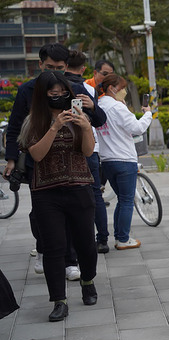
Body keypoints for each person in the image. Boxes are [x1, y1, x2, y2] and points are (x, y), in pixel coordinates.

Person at [3, 43, 107, 277]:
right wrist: (11, 159)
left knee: (75, 213)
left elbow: (99, 121)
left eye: (60, 67)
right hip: (40, 164)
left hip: (77, 160)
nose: (56, 72)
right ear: (40, 65)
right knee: (41, 214)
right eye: (49, 67)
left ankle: (71, 261)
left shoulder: (76, 89)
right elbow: (15, 126)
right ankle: (44, 247)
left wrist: (92, 108)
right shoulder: (28, 91)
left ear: (67, 66)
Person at [18, 71, 98, 321]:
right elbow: (37, 155)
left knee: (86, 242)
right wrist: (55, 127)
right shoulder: (34, 121)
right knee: (54, 247)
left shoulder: (78, 117)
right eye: (53, 95)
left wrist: (85, 127)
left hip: (79, 187)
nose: (59, 98)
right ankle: (59, 301)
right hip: (46, 192)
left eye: (63, 94)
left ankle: (87, 281)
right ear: (43, 97)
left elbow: (87, 151)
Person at [96, 75, 152, 250]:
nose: (124, 91)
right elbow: (137, 128)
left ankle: (121, 236)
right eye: (122, 88)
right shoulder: (117, 107)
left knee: (122, 200)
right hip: (124, 159)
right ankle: (122, 238)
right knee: (127, 200)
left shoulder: (99, 105)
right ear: (112, 88)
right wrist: (148, 114)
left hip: (107, 160)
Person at [64, 50, 110, 254]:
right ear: (83, 69)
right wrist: (92, 107)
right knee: (94, 194)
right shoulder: (88, 89)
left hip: (62, 146)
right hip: (89, 147)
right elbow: (100, 121)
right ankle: (102, 239)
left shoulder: (51, 88)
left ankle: (69, 243)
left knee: (64, 195)